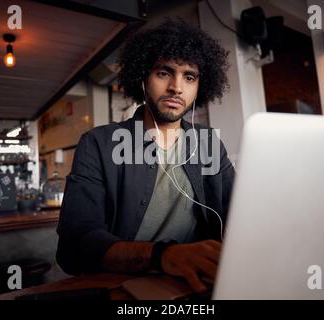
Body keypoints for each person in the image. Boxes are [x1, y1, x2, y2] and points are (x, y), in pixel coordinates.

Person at [56, 19, 235, 293]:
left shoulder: (209, 143)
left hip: (200, 285)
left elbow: (238, 215)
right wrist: (163, 256)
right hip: (123, 288)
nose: (177, 87)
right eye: (164, 73)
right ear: (142, 77)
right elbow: (76, 244)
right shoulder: (98, 144)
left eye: (189, 77)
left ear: (200, 86)